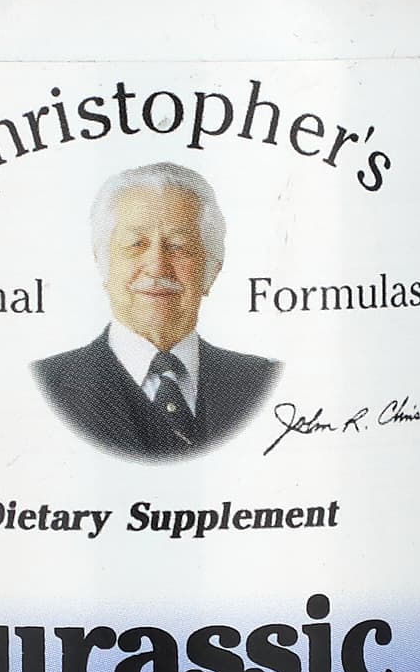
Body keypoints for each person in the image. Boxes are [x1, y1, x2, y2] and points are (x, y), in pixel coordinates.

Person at [33, 162, 281, 458]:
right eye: (136, 244)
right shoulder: (44, 385)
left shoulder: (266, 382)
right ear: (103, 264)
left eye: (178, 246)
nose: (157, 266)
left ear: (212, 270)